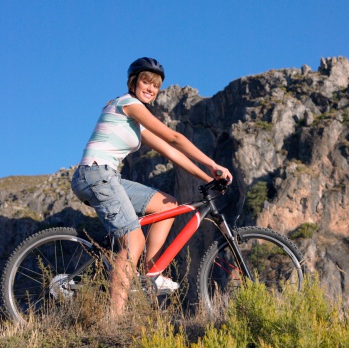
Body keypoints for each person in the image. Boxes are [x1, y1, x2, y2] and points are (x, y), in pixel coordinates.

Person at [71, 57, 233, 316]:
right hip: (95, 174)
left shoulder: (135, 125)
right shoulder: (127, 104)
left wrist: (207, 178)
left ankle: (152, 272)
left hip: (106, 177)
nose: (150, 88)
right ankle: (116, 320)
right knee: (133, 241)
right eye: (146, 81)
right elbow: (175, 137)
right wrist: (214, 165)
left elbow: (172, 152)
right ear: (133, 82)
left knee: (167, 204)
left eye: (155, 85)